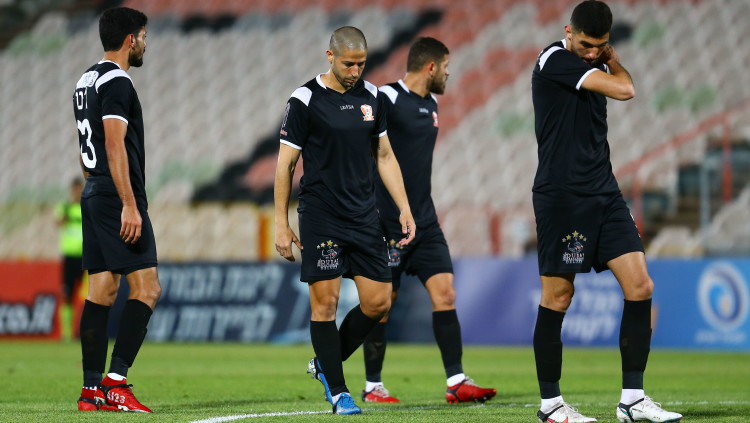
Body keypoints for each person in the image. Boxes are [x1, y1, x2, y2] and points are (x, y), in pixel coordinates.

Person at [530, 1, 682, 422]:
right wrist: (610, 63)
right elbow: (626, 90)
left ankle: (632, 400)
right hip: (563, 196)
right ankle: (550, 405)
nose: (593, 52)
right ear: (568, 32)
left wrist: (612, 60)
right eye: (586, 44)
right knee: (558, 296)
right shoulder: (554, 60)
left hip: (604, 193)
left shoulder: (595, 62)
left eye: (600, 46)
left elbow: (625, 83)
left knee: (641, 286)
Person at [274, 26, 416, 415]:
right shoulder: (305, 99)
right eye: (349, 64)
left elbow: (384, 155)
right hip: (322, 216)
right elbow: (285, 165)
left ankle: (326, 362)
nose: (355, 71)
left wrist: (403, 206)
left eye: (361, 64)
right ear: (330, 56)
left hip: (364, 216)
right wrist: (281, 223)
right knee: (326, 304)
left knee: (378, 302)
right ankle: (339, 392)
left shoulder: (372, 97)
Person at [359, 37, 496, 405]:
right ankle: (372, 386)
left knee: (446, 293)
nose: (449, 73)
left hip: (425, 221)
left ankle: (457, 382)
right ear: (430, 67)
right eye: (446, 66)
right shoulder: (386, 97)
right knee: (381, 305)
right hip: (386, 223)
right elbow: (365, 146)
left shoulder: (432, 104)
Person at [72, 6, 160, 413]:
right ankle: (116, 383)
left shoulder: (85, 80)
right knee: (147, 288)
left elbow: (85, 147)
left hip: (94, 190)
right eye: (143, 36)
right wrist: (128, 203)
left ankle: (90, 391)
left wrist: (96, 187)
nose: (144, 43)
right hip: (116, 196)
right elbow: (112, 142)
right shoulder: (118, 81)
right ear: (130, 39)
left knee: (102, 291)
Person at [55, 177, 85, 341]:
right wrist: (64, 217)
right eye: (74, 189)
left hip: (86, 256)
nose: (77, 192)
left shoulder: (87, 207)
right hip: (69, 256)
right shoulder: (65, 207)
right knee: (68, 294)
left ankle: (86, 330)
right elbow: (58, 223)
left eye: (79, 189)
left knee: (89, 295)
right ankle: (66, 333)